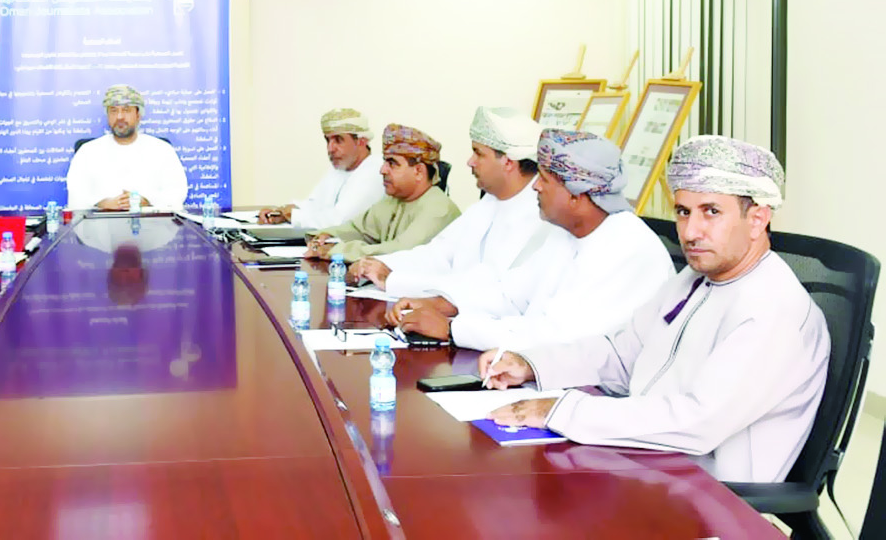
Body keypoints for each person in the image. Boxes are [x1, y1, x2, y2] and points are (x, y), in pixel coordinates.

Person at [481, 136, 829, 484]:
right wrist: (531, 364)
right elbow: (622, 355)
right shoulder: (694, 279)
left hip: (707, 495)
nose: (690, 232)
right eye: (683, 212)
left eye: (711, 212)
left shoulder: (773, 309)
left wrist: (563, 412)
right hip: (644, 462)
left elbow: (697, 421)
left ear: (757, 219)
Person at [386, 129, 672, 349]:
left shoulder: (628, 248)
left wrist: (451, 329)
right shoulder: (566, 232)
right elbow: (510, 294)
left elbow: (558, 338)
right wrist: (437, 304)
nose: (535, 186)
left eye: (545, 179)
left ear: (577, 193)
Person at [349, 107, 563, 311]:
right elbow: (438, 254)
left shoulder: (541, 216)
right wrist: (378, 264)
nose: (470, 162)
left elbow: (486, 286)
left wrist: (393, 280)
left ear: (508, 162)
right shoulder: (489, 202)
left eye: (478, 153)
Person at [305, 124, 460, 262]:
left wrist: (336, 251)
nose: (382, 170)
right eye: (385, 162)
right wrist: (325, 236)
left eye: (392, 163)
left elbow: (398, 252)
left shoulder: (439, 209)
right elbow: (358, 229)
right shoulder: (394, 200)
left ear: (419, 171)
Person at [65, 84, 188, 210]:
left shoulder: (162, 150)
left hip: (150, 219)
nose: (119, 117)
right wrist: (102, 203)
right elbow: (76, 197)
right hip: (101, 220)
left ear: (138, 115)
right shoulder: (87, 151)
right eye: (113, 111)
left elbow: (177, 193)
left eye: (126, 110)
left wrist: (146, 201)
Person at [257, 108, 384, 228]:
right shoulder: (339, 168)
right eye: (328, 140)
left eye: (338, 140)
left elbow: (339, 221)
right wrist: (279, 212)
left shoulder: (376, 170)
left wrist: (292, 215)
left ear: (361, 141)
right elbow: (315, 205)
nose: (330, 148)